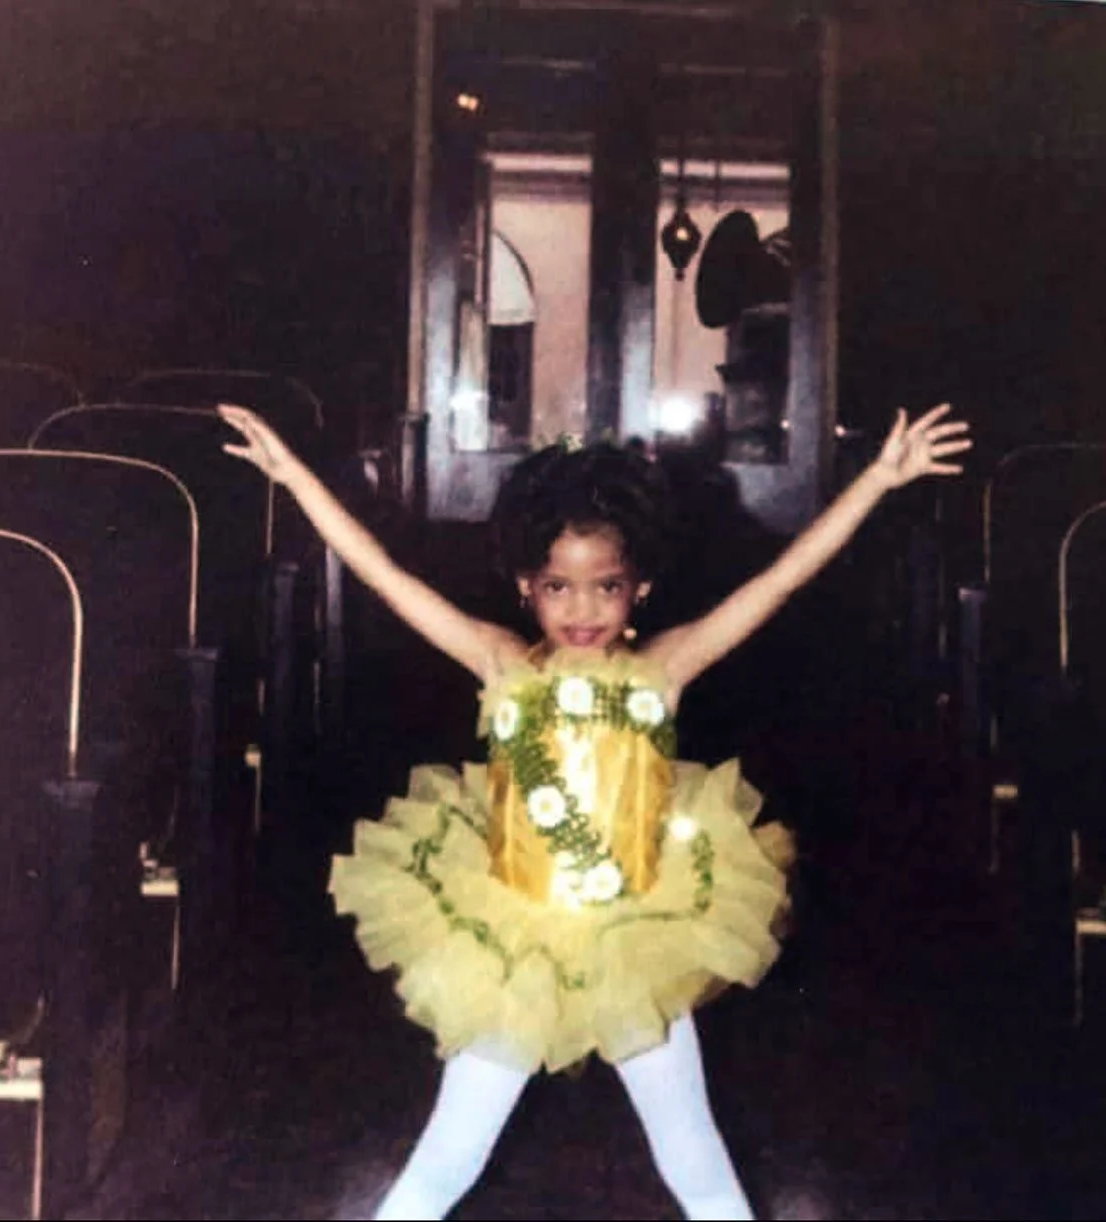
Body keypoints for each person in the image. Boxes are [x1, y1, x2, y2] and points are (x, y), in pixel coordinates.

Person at [220, 402, 972, 1221]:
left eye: (606, 586)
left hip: (637, 941)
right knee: (447, 1156)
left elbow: (782, 580)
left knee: (695, 1157)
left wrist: (878, 480)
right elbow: (384, 576)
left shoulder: (665, 668)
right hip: (511, 948)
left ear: (639, 586)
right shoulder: (500, 661)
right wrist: (294, 477)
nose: (583, 610)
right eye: (558, 587)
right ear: (526, 585)